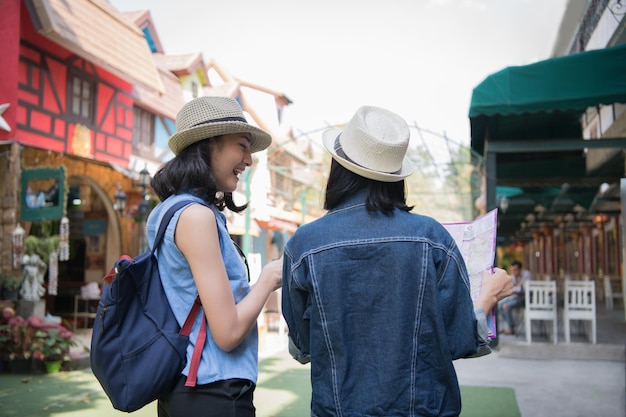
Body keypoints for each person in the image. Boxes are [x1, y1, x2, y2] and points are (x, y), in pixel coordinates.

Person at [281, 105, 513, 417]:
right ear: (396, 176)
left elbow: (302, 346)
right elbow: (460, 340)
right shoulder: (433, 238)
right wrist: (488, 296)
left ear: (338, 168)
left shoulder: (304, 244)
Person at [148, 96, 283, 417]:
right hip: (214, 390)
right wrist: (268, 279)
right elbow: (227, 333)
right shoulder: (196, 217)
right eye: (241, 145)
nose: (248, 159)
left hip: (183, 384)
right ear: (208, 145)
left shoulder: (165, 211)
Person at [497, 260, 532, 335]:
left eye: (515, 270)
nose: (514, 272)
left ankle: (511, 328)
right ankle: (511, 325)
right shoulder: (512, 276)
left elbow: (524, 289)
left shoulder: (526, 274)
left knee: (506, 306)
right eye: (512, 270)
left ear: (520, 269)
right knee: (500, 306)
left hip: (525, 299)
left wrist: (514, 289)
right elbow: (510, 289)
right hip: (515, 297)